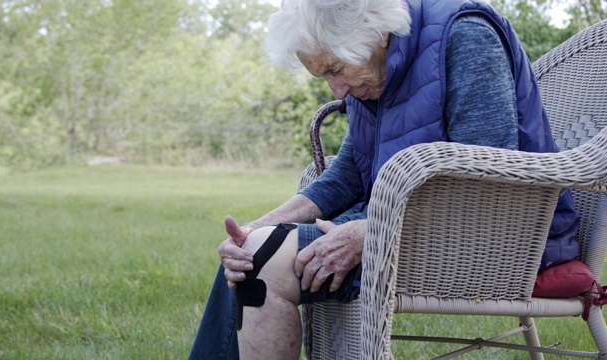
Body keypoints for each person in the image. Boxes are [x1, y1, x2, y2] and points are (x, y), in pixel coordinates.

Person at [188, 0, 581, 358]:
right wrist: (257, 226)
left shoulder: (466, 36)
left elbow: (488, 182)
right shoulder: (371, 78)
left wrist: (371, 232)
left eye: (336, 69)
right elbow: (346, 176)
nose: (336, 89)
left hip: (498, 239)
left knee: (265, 263)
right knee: (249, 252)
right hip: (401, 230)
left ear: (374, 29)